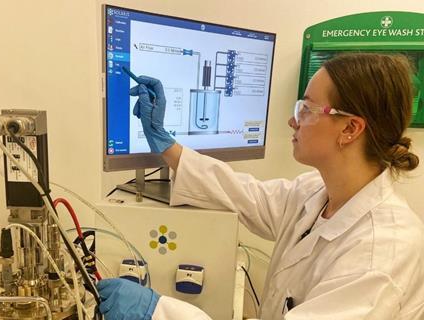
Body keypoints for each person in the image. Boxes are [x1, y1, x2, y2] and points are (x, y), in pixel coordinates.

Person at [97, 53, 424, 320]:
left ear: (351, 129)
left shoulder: (379, 255)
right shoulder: (317, 192)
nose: (293, 121)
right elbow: (242, 194)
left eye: (307, 109)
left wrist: (159, 313)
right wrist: (166, 143)